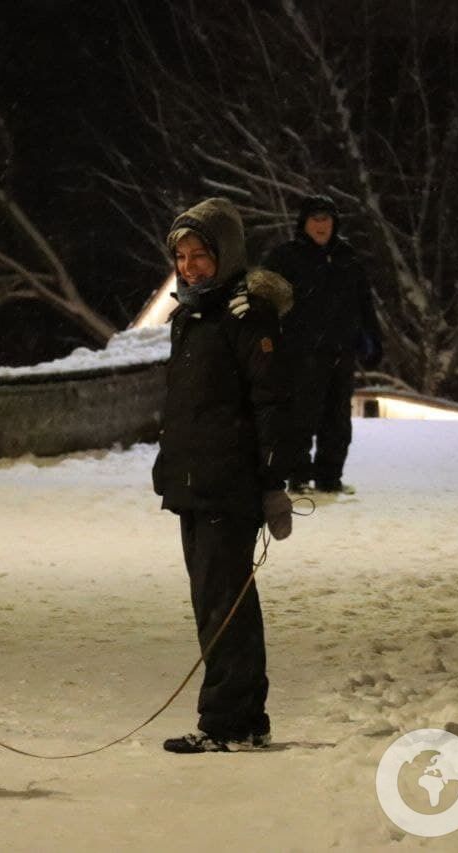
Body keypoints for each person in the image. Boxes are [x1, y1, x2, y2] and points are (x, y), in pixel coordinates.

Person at [151, 197, 294, 753]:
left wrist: (272, 483)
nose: (189, 266)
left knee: (223, 605)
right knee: (219, 602)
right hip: (194, 482)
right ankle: (244, 717)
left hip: (227, 484)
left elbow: (272, 405)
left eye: (200, 255)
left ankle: (228, 722)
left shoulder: (245, 316)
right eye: (181, 257)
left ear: (225, 253)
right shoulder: (193, 314)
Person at [263, 194, 382, 494]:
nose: (321, 225)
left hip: (341, 352)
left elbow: (364, 304)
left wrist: (372, 339)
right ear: (303, 223)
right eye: (315, 219)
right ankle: (299, 477)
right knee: (299, 418)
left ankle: (330, 477)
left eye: (326, 219)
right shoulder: (284, 258)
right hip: (300, 354)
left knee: (338, 421)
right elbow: (261, 303)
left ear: (334, 223)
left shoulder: (347, 258)